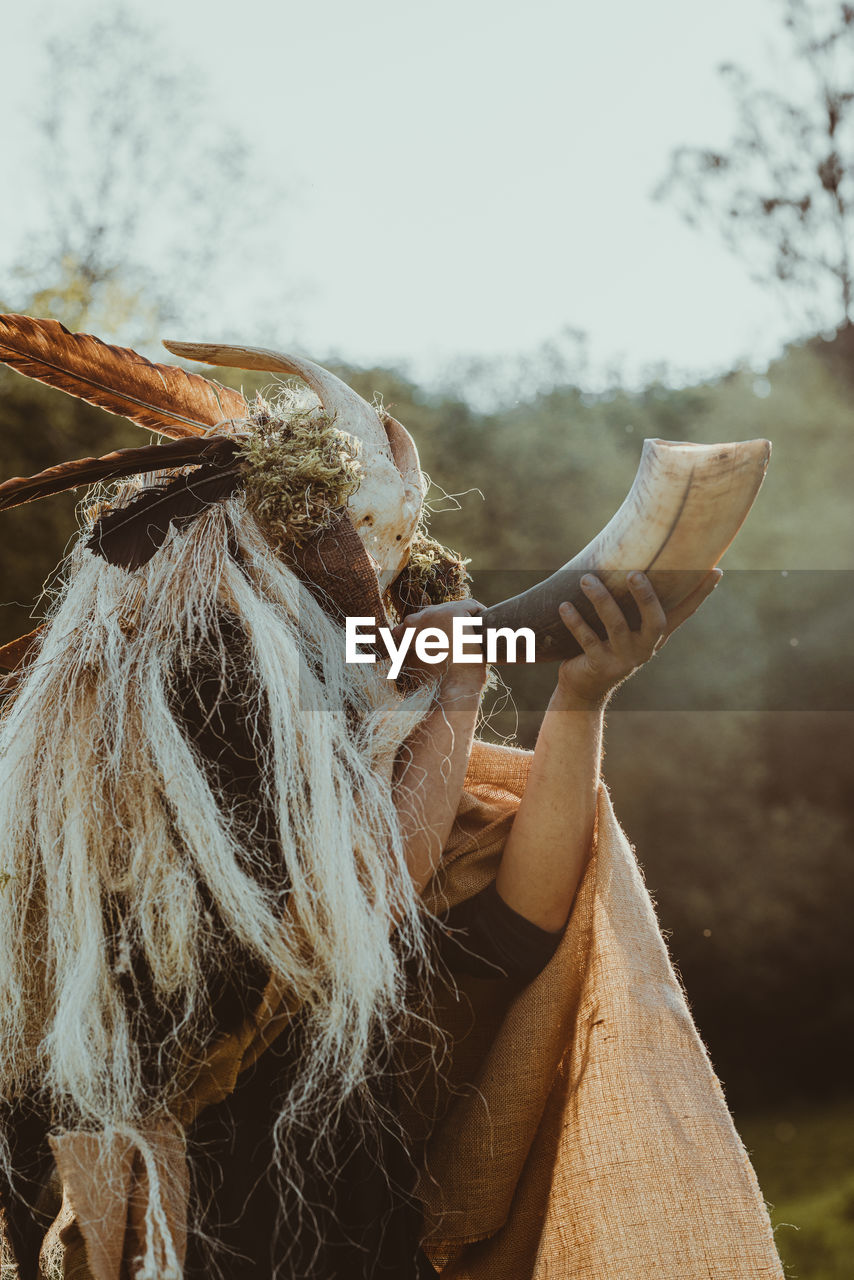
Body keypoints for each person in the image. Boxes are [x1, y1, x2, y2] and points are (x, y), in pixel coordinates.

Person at [0, 315, 782, 1280]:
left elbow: (510, 936)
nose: (379, 629)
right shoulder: (168, 753)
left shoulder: (347, 769)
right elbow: (354, 905)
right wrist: (455, 686)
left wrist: (580, 696)